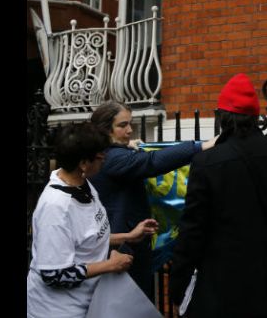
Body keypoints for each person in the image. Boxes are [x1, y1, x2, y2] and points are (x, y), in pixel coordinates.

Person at [169, 73, 267, 318]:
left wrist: (178, 287)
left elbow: (192, 231)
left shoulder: (206, 162)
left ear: (222, 117)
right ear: (256, 117)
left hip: (221, 282)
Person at [27, 123, 160, 318]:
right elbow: (54, 274)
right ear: (83, 163)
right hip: (59, 311)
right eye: (100, 156)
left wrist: (128, 236)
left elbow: (85, 239)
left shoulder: (83, 185)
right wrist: (111, 265)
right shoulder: (56, 208)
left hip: (90, 304)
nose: (104, 159)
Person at [89, 101, 218, 301]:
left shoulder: (108, 153)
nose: (130, 130)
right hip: (121, 250)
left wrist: (126, 147)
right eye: (122, 125)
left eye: (130, 123)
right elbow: (152, 162)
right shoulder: (112, 158)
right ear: (106, 130)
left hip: (129, 246)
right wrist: (200, 146)